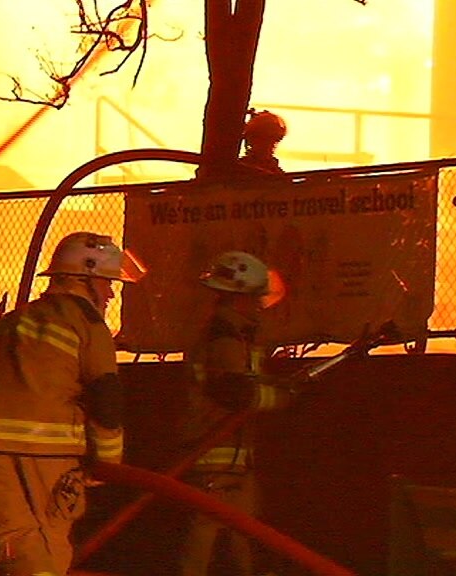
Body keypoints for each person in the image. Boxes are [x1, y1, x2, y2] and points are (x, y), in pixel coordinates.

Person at [0, 232, 146, 576]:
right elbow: (106, 397)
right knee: (49, 547)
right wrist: (107, 461)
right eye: (107, 283)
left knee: (12, 542)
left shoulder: (11, 321)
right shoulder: (86, 323)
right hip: (49, 454)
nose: (110, 293)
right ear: (83, 277)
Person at [178, 251, 295, 576]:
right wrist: (283, 398)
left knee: (244, 535)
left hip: (232, 458)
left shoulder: (235, 335)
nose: (259, 306)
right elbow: (235, 393)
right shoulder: (225, 338)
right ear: (240, 298)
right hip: (214, 456)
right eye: (256, 299)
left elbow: (244, 383)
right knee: (206, 535)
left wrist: (279, 385)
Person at [239, 109, 288, 175]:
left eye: (273, 138)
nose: (270, 144)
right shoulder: (242, 168)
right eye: (265, 138)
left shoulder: (274, 169)